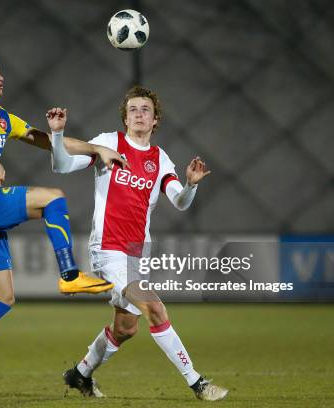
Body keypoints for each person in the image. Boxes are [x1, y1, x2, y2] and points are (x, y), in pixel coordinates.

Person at [0, 50, 125, 401]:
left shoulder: (2, 118)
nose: (0, 75)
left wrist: (95, 149)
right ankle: (69, 276)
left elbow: (46, 141)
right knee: (52, 197)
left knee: (2, 298)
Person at [47, 86, 228, 401]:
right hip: (108, 250)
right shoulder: (109, 143)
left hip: (137, 254)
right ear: (125, 117)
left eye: (145, 109)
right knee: (155, 308)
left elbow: (180, 202)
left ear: (155, 119)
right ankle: (198, 383)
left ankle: (79, 374)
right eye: (133, 109)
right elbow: (61, 166)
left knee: (126, 328)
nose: (139, 114)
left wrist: (190, 185)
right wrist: (58, 135)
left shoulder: (159, 159)